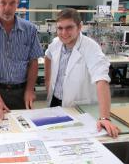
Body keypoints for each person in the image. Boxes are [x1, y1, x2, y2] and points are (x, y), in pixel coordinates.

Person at [44, 8, 120, 138]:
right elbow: (48, 56)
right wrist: (47, 83)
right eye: (60, 28)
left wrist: (105, 118)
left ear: (79, 27)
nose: (64, 33)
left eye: (69, 28)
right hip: (54, 101)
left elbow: (101, 79)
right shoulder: (56, 43)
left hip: (78, 106)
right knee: (53, 138)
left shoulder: (91, 48)